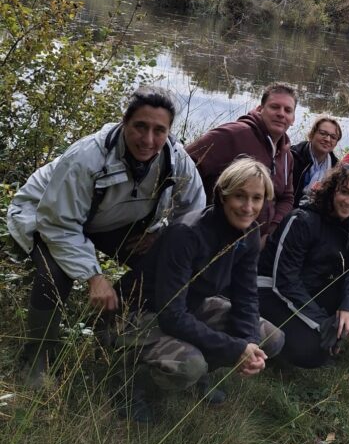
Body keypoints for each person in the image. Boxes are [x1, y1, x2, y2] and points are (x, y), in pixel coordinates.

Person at [6, 86, 205, 387]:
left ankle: (110, 327)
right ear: (124, 122)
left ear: (169, 132)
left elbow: (194, 213)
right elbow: (59, 224)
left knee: (155, 261)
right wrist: (93, 276)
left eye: (158, 130)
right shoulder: (88, 157)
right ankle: (38, 354)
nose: (148, 140)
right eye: (140, 126)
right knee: (54, 273)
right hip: (45, 212)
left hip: (109, 219)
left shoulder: (176, 161)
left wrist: (162, 235)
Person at [115, 158, 286, 421]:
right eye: (240, 196)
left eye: (257, 198)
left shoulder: (249, 234)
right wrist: (233, 349)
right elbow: (171, 315)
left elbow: (247, 295)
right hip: (137, 312)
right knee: (190, 365)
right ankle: (126, 382)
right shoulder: (187, 233)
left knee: (269, 338)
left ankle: (202, 372)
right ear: (222, 195)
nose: (248, 207)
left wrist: (248, 343)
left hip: (191, 306)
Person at [257, 164, 349, 368]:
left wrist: (348, 308)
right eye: (344, 191)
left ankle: (323, 334)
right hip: (270, 290)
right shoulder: (302, 220)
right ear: (332, 190)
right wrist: (322, 322)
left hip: (310, 285)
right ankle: (273, 348)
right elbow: (285, 282)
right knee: (314, 353)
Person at [186, 82, 296, 237]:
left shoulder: (286, 155)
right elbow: (184, 166)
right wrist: (192, 216)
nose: (281, 114)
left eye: (288, 110)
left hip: (255, 243)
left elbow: (287, 197)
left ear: (293, 119)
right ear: (260, 109)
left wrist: (270, 231)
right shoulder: (232, 135)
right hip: (214, 237)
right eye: (274, 107)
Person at [291, 116, 342, 207]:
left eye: (333, 137)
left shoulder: (336, 168)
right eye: (323, 133)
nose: (327, 139)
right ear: (311, 134)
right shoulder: (293, 156)